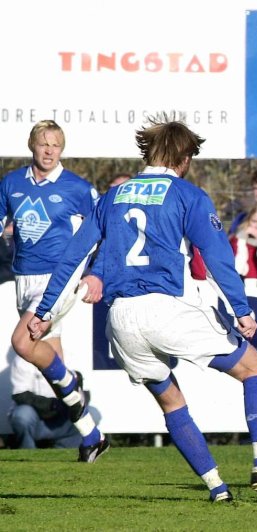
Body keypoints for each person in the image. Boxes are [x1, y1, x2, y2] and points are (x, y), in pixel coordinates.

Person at [27, 119, 257, 503]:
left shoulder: (112, 197)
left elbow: (74, 256)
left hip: (121, 319)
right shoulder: (187, 195)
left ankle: (218, 490)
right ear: (184, 156)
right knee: (255, 369)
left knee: (171, 401)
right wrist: (241, 310)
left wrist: (45, 311)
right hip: (165, 308)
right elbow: (216, 256)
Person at [1, 120, 107, 463]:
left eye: (56, 145)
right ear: (32, 145)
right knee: (51, 363)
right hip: (23, 279)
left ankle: (72, 385)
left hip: (56, 279)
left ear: (63, 149)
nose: (49, 151)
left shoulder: (77, 187)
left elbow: (102, 229)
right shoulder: (12, 183)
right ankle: (91, 435)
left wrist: (95, 273)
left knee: (22, 343)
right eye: (44, 144)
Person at [8, 355, 83, 449]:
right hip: (36, 418)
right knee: (22, 415)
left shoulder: (67, 355)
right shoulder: (23, 359)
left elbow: (80, 388)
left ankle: (65, 452)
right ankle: (27, 453)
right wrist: (51, 405)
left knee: (88, 413)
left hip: (61, 417)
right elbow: (20, 395)